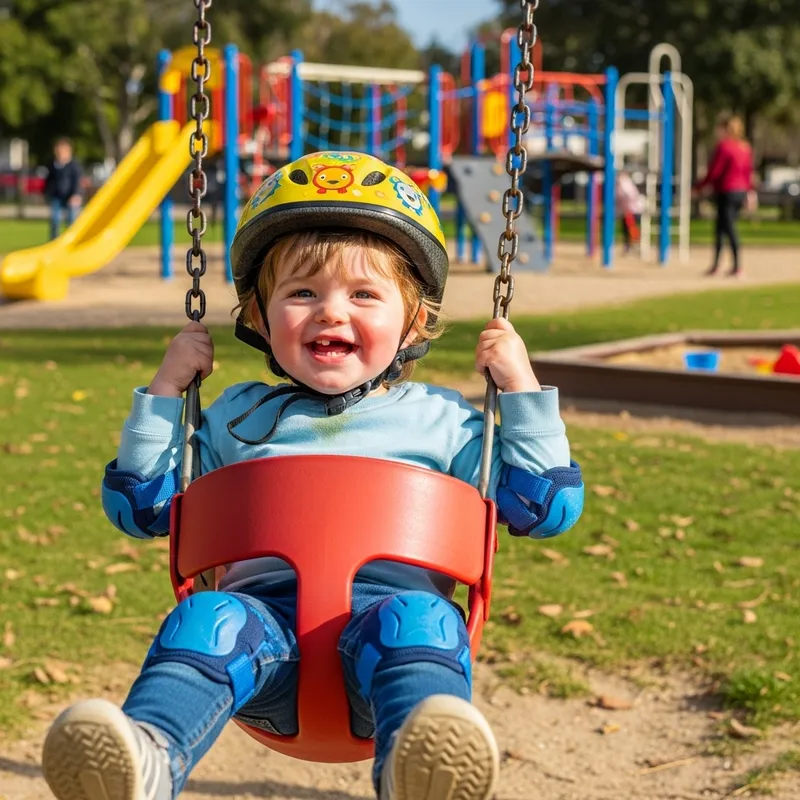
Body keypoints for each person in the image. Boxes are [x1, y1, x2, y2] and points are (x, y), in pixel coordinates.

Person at [41, 152, 584, 800]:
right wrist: (165, 392)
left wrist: (519, 388)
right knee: (210, 618)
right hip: (258, 656)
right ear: (259, 316)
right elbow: (144, 509)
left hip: (384, 662)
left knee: (419, 619)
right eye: (302, 293)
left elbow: (544, 507)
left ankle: (419, 768)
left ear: (412, 319)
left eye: (363, 295)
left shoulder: (444, 421)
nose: (330, 312)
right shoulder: (236, 417)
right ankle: (151, 755)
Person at [694, 113, 756, 278]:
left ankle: (737, 266)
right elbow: (748, 172)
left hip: (726, 191)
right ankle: (716, 265)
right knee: (721, 228)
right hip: (740, 192)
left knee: (728, 228)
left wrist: (699, 186)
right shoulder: (745, 147)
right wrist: (750, 191)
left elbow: (715, 171)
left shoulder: (724, 146)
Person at [43, 137, 83, 241]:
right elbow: (49, 181)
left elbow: (77, 182)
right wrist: (46, 193)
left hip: (70, 196)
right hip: (57, 196)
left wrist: (76, 195)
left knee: (71, 220)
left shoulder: (74, 166)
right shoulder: (53, 165)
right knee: (55, 220)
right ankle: (53, 241)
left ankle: (72, 241)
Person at [615, 170, 644, 254]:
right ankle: (629, 246)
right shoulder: (620, 184)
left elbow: (630, 196)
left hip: (632, 210)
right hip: (627, 210)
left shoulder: (625, 183)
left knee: (631, 229)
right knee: (627, 229)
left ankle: (633, 245)